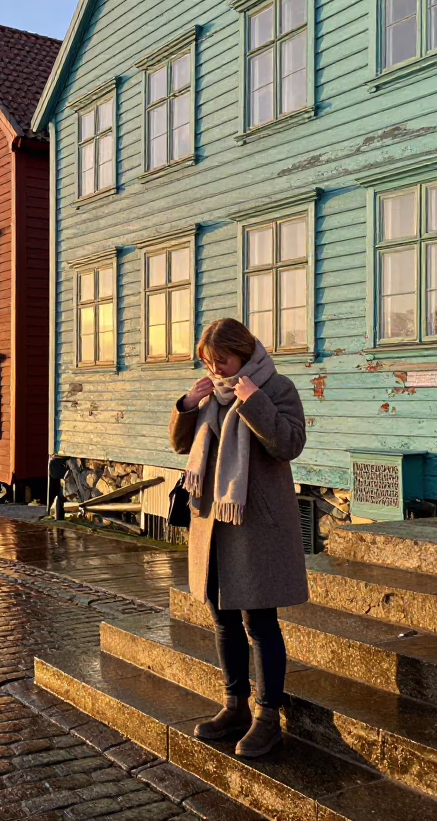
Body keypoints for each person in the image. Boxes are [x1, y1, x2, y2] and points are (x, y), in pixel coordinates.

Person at [170, 318, 308, 759]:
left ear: (244, 354)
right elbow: (180, 446)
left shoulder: (277, 387)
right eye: (208, 362)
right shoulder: (211, 392)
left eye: (222, 361)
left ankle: (268, 718)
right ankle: (234, 706)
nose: (215, 370)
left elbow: (288, 444)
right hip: (212, 520)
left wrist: (254, 401)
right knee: (222, 619)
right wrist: (188, 405)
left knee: (259, 622)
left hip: (255, 525)